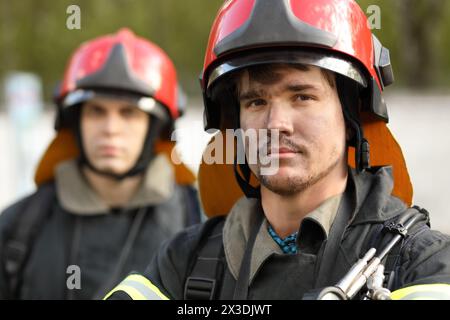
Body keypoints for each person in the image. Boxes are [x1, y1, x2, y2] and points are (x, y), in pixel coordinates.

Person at [105, 0, 450, 300]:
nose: (275, 123)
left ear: (350, 116)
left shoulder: (418, 263)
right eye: (256, 101)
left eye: (302, 96)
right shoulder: (182, 263)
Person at [0, 28, 201, 300]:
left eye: (128, 113)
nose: (110, 128)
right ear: (75, 122)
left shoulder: (199, 224)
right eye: (96, 111)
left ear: (156, 129)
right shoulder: (18, 228)